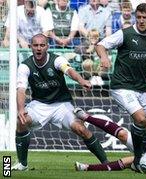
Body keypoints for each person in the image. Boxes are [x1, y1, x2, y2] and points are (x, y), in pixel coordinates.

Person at [95, 3, 146, 170]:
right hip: (121, 86)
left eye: (145, 18)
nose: (141, 21)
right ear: (135, 17)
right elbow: (100, 45)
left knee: (143, 126)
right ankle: (139, 160)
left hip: (141, 88)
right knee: (140, 118)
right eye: (138, 17)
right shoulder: (126, 33)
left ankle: (138, 160)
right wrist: (104, 58)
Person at [12, 34, 107, 171]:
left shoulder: (57, 60)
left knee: (81, 129)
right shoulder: (25, 66)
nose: (39, 48)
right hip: (39, 105)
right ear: (31, 47)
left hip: (62, 105)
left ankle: (106, 163)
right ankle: (22, 164)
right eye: (36, 45)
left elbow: (69, 71)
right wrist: (21, 109)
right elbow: (21, 89)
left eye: (42, 45)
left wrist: (81, 81)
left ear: (47, 47)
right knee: (21, 121)